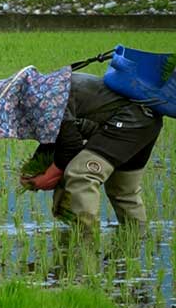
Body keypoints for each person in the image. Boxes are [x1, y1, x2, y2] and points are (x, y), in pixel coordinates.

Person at [20, 72, 163, 230]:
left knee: (81, 175)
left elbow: (71, 145)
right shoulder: (46, 91)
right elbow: (61, 137)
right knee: (123, 190)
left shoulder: (48, 102)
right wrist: (35, 167)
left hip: (130, 121)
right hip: (147, 121)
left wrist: (48, 176)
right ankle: (137, 238)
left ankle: (85, 237)